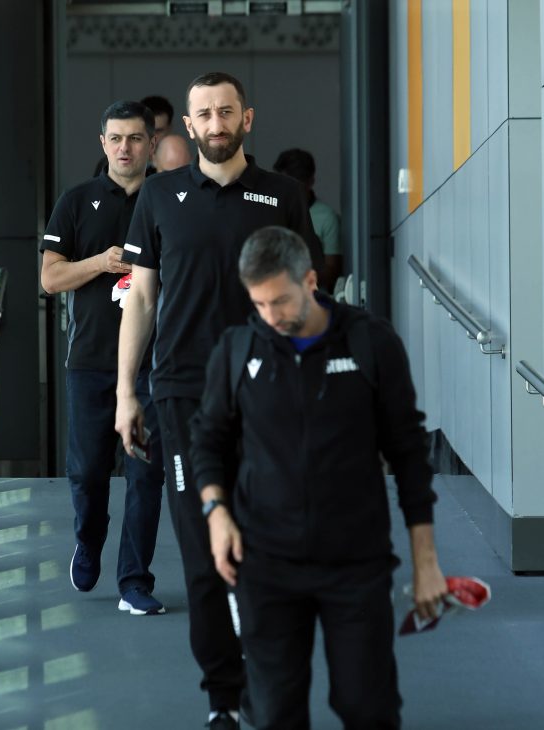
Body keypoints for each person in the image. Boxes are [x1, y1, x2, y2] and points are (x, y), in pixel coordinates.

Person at [115, 72, 324, 729]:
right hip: (182, 396)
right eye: (203, 114)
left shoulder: (283, 196)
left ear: (246, 119)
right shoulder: (158, 195)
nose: (215, 124)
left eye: (225, 112)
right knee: (205, 555)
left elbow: (309, 297)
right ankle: (223, 698)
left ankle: (266, 674)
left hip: (270, 395)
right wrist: (125, 392)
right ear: (188, 123)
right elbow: (141, 298)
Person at [190, 225, 448, 730]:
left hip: (355, 563)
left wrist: (426, 563)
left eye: (281, 301)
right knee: (274, 714)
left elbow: (410, 455)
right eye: (259, 304)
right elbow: (207, 440)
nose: (271, 316)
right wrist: (216, 512)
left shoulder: (370, 342)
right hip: (266, 563)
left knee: (365, 708)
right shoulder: (238, 350)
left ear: (310, 281)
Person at [40, 100, 166, 616]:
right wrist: (99, 262)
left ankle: (134, 581)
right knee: (89, 472)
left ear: (152, 143)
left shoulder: (170, 198)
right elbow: (50, 279)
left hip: (154, 365)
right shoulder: (77, 201)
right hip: (90, 361)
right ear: (103, 143)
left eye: (135, 138)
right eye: (115, 138)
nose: (124, 148)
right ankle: (88, 541)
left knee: (146, 476)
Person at [273, 148, 342, 292]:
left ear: (310, 182)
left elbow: (332, 270)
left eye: (290, 186)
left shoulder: (327, 218)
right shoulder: (270, 210)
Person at [93, 94, 175, 176]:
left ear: (170, 129)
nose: (152, 135)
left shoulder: (177, 159)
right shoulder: (109, 164)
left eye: (159, 131)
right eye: (116, 138)